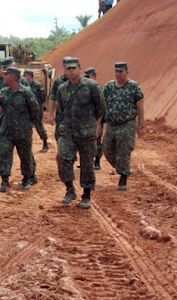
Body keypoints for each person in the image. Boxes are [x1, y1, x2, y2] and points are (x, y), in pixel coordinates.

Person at [56, 58, 105, 209]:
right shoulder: (62, 89)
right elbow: (61, 109)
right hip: (68, 131)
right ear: (64, 70)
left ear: (79, 69)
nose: (71, 71)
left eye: (74, 68)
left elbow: (101, 107)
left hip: (86, 132)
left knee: (87, 164)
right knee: (62, 157)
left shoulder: (91, 86)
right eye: (68, 68)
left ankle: (86, 195)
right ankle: (70, 189)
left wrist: (94, 124)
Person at [0, 67, 41, 192]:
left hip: (23, 131)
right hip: (7, 131)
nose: (4, 77)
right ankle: (5, 181)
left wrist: (27, 124)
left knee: (25, 156)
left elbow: (35, 110)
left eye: (6, 75)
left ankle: (26, 179)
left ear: (13, 77)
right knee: (5, 155)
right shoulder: (4, 91)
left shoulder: (26, 92)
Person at [102, 62, 144, 190]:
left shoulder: (133, 87)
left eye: (121, 71)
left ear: (127, 72)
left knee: (124, 151)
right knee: (107, 149)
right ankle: (122, 168)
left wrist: (141, 125)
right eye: (117, 71)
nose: (118, 74)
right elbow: (102, 106)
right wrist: (99, 123)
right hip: (111, 124)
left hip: (127, 124)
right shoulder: (108, 87)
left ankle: (123, 177)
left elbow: (140, 107)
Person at [23, 69, 49, 152]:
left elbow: (43, 97)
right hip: (27, 110)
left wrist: (37, 105)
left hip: (36, 110)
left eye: (25, 75)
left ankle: (45, 143)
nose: (24, 77)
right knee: (26, 128)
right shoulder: (24, 85)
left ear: (29, 76)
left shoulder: (37, 85)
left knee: (39, 127)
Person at [47, 56, 71, 141]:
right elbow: (52, 97)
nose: (69, 70)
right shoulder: (59, 81)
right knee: (60, 138)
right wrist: (50, 114)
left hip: (77, 117)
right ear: (63, 67)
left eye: (72, 67)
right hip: (61, 116)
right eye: (67, 67)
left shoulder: (81, 82)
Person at [85, 67, 104, 170]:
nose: (86, 79)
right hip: (85, 120)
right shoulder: (83, 89)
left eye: (88, 76)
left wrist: (99, 123)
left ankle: (97, 161)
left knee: (97, 141)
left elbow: (102, 107)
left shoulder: (99, 89)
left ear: (94, 76)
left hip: (96, 120)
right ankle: (86, 161)